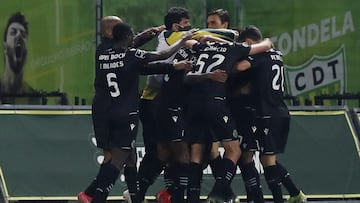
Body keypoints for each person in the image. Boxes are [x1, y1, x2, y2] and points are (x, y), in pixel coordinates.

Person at [77, 22, 194, 203]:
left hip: (103, 112)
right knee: (119, 158)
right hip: (125, 113)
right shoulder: (131, 55)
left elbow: (144, 68)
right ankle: (97, 196)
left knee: (130, 157)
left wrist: (174, 67)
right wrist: (183, 40)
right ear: (128, 38)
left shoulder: (101, 52)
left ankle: (135, 197)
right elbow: (163, 55)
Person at [183, 34, 272, 203]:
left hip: (193, 104)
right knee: (234, 150)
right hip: (215, 102)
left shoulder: (202, 47)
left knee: (197, 152)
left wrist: (207, 38)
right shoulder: (234, 48)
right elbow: (266, 45)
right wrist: (229, 42)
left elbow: (189, 41)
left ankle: (192, 199)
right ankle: (218, 192)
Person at [235, 25, 306, 203]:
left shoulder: (259, 55)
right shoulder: (277, 54)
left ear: (249, 43)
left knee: (267, 161)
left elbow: (242, 67)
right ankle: (294, 194)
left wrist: (227, 61)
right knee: (268, 159)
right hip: (279, 110)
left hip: (268, 113)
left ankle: (286, 197)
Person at [137, 7, 192, 203]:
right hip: (154, 102)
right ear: (177, 25)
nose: (190, 27)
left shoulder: (169, 37)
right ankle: (137, 192)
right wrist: (228, 33)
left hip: (169, 102)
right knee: (159, 152)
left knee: (172, 151)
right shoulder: (173, 35)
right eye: (186, 23)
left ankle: (167, 193)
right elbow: (201, 35)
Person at [0, 12, 37, 104]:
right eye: (13, 32)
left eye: (23, 34)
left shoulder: (32, 97)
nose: (19, 35)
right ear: (5, 48)